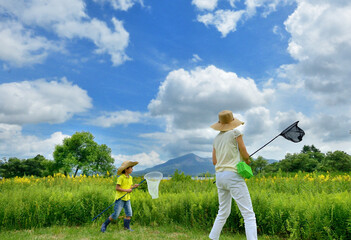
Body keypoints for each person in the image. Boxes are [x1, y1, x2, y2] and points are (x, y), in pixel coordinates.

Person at [209, 110, 257, 240]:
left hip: (219, 176)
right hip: (233, 176)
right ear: (232, 121)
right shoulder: (236, 132)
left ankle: (213, 238)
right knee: (248, 214)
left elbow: (214, 161)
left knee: (223, 212)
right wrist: (247, 161)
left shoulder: (216, 138)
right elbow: (243, 151)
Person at [101, 160, 140, 233]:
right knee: (115, 215)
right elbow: (117, 188)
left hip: (127, 198)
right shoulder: (121, 177)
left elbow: (129, 187)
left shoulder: (130, 177)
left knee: (129, 213)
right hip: (120, 199)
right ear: (126, 169)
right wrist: (127, 190)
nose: (132, 169)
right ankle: (104, 225)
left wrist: (134, 186)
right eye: (131, 167)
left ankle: (127, 228)